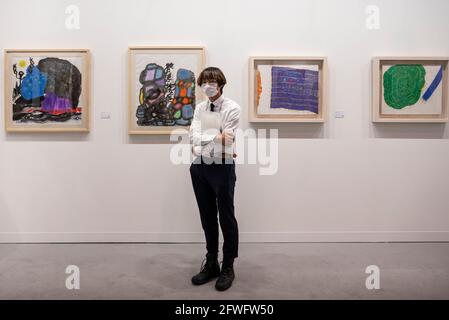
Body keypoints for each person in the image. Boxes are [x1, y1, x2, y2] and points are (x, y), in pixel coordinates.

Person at [189, 67, 241, 291]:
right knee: (207, 217)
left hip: (222, 166)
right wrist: (215, 136)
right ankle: (212, 262)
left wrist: (204, 140)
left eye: (211, 81)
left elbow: (227, 141)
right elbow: (192, 136)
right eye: (204, 82)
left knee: (226, 217)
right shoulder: (200, 107)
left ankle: (228, 266)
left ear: (220, 83)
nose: (207, 85)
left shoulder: (232, 108)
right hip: (200, 167)